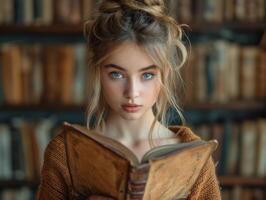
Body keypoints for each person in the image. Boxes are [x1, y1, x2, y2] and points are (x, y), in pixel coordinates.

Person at [37, 0, 221, 199]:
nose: (132, 92)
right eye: (117, 74)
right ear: (98, 73)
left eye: (147, 75)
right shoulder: (64, 154)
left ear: (165, 74)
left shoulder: (195, 159)